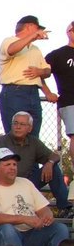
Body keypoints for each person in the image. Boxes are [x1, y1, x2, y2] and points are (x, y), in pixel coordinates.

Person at [0, 111, 73, 217]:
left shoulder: (33, 142)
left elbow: (55, 156)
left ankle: (66, 209)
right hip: (6, 184)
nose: (18, 127)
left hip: (27, 183)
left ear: (29, 128)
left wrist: (49, 163)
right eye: (15, 123)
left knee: (53, 168)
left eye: (22, 124)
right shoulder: (2, 141)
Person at [0, 14, 58, 134]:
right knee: (15, 133)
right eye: (37, 28)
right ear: (29, 27)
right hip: (14, 92)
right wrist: (33, 36)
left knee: (33, 134)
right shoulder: (9, 40)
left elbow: (47, 71)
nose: (40, 31)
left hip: (33, 94)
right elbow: (11, 50)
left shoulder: (35, 49)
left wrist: (40, 72)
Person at [44, 21, 74, 154]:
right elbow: (39, 73)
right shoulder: (58, 54)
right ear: (69, 32)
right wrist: (48, 92)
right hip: (70, 101)